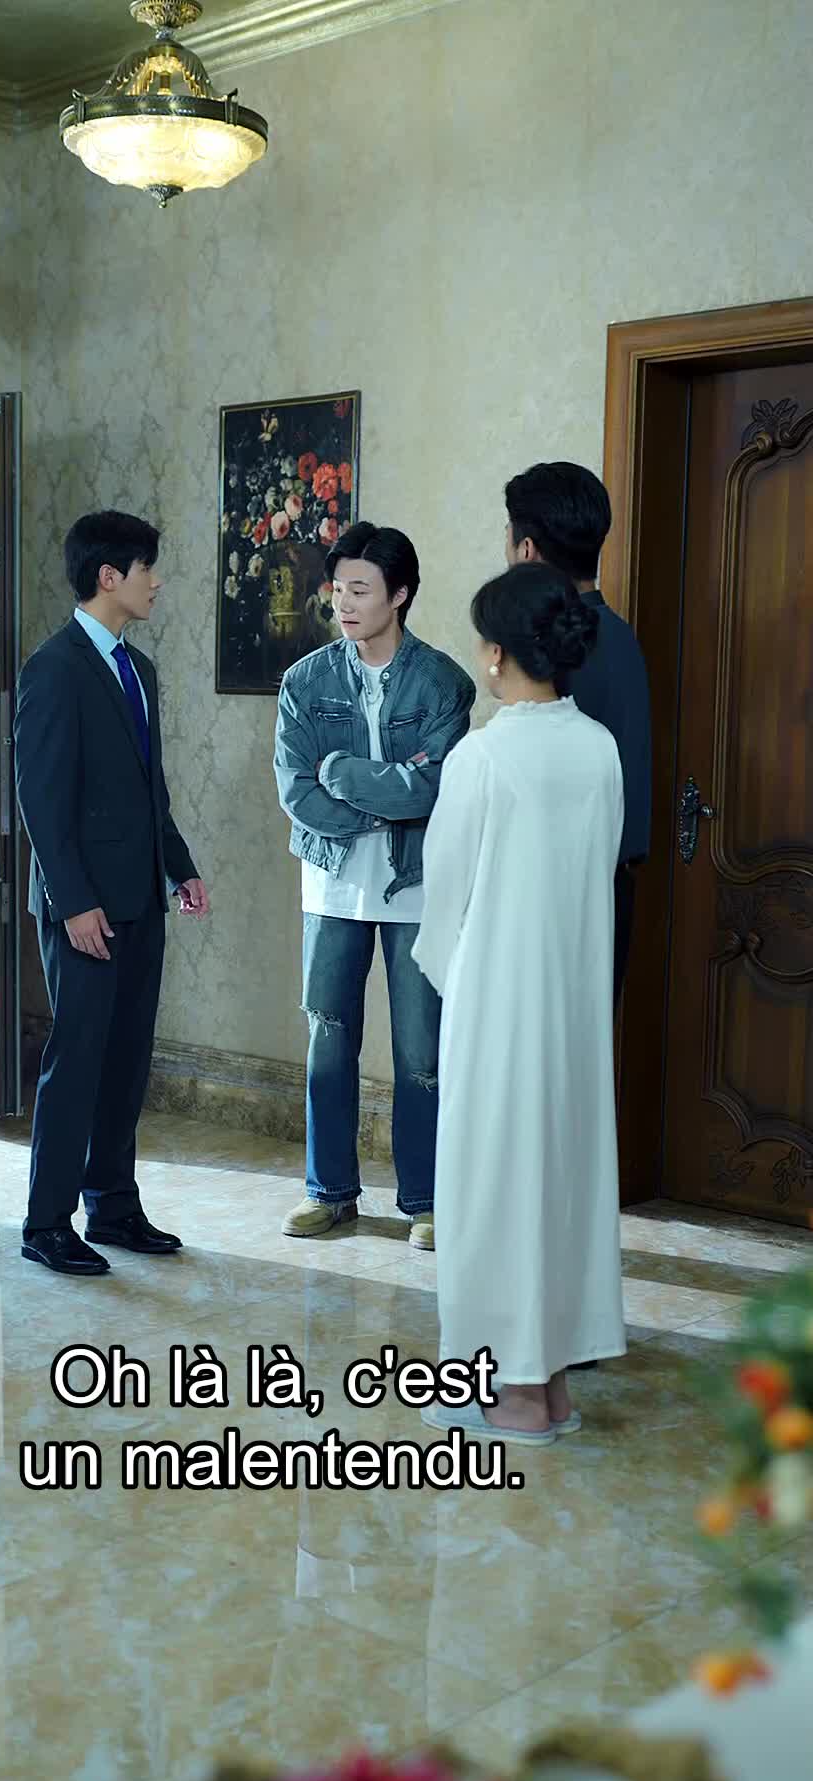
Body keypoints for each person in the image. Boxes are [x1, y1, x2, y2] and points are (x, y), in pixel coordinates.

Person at [414, 564, 625, 1444]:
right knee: (561, 1180)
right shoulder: (600, 748)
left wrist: (450, 976)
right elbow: (601, 864)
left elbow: (445, 897)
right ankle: (555, 1384)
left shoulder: (482, 756)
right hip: (573, 1002)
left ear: (497, 654)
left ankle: (513, 1393)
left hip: (499, 1004)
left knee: (493, 1186)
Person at [15, 511, 208, 1276]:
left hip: (140, 897)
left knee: (127, 1060)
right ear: (109, 576)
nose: (156, 582)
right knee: (78, 1060)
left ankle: (114, 1206)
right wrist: (73, 902)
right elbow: (40, 799)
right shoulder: (54, 669)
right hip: (84, 907)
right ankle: (45, 1222)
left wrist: (179, 865)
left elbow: (149, 789)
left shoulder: (140, 670)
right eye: (146, 569)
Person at [274, 522, 475, 1247]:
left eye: (360, 590)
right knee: (329, 1041)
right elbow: (297, 791)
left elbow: (436, 788)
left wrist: (345, 774)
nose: (344, 604)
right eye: (338, 590)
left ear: (401, 595)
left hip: (417, 886)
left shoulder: (443, 683)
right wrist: (385, 795)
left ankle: (426, 1201)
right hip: (331, 885)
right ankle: (328, 1192)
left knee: (421, 1051)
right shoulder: (305, 682)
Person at [504, 461, 650, 1007]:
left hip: (554, 894)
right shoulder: (622, 637)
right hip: (612, 887)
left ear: (527, 550)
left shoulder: (548, 651)